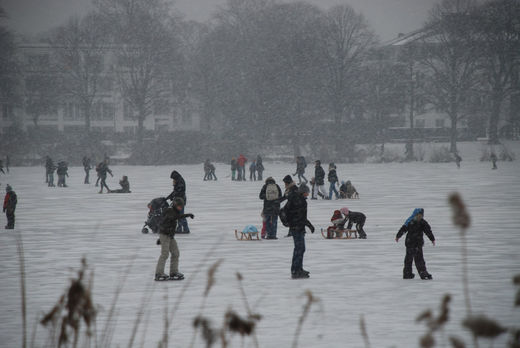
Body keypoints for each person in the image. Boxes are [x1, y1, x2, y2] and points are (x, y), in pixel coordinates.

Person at [282, 175, 314, 279]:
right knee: (299, 249)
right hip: (296, 228)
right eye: (307, 192)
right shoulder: (297, 200)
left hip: (299, 227)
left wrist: (309, 225)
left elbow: (302, 216)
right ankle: (295, 271)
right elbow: (284, 211)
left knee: (301, 249)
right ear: (303, 192)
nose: (308, 194)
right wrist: (289, 223)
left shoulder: (301, 200)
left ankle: (298, 268)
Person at [154, 197, 194, 281]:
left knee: (175, 253)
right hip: (165, 235)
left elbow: (173, 218)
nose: (181, 207)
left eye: (182, 206)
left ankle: (173, 272)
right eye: (179, 206)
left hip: (170, 236)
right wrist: (186, 215)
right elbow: (172, 218)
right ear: (175, 205)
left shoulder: (175, 212)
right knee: (165, 254)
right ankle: (159, 273)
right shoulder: (169, 211)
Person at [395, 208, 435, 280]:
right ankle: (408, 273)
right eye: (418, 215)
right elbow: (403, 229)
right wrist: (398, 236)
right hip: (410, 243)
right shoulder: (410, 221)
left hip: (417, 244)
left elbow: (428, 231)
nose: (420, 216)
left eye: (421, 215)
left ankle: (421, 273)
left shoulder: (422, 222)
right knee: (409, 259)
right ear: (415, 215)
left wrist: (432, 239)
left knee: (418, 259)